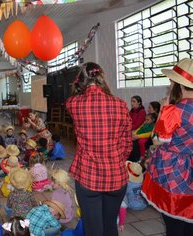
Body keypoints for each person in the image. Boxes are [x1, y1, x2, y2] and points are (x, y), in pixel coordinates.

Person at [66, 62, 132, 236]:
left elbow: (75, 95)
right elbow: (127, 143)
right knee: (110, 226)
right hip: (116, 177)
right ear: (101, 77)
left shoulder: (73, 104)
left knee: (93, 230)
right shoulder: (121, 104)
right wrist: (116, 159)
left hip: (89, 177)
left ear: (80, 81)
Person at [141, 58, 193, 236]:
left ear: (179, 85)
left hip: (174, 169)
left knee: (173, 219)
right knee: (189, 216)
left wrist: (164, 110)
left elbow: (156, 139)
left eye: (172, 81)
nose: (170, 84)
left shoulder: (174, 110)